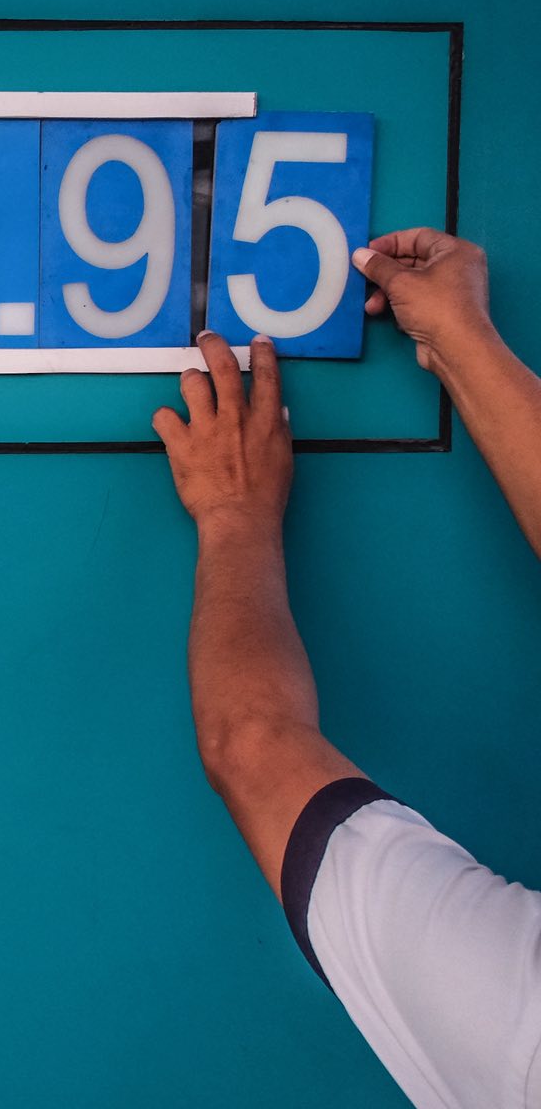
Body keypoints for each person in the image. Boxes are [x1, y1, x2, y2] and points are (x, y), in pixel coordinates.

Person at [153, 228, 541, 1108]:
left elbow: (255, 746)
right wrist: (461, 344)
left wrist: (235, 517)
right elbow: (251, 747)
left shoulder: (520, 1027)